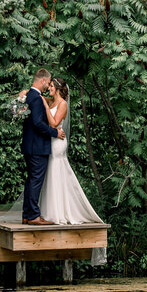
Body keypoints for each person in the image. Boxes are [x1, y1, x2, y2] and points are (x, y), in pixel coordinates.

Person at [36, 77, 102, 224]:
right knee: (52, 174)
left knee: (56, 171)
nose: (49, 88)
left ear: (58, 89)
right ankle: (50, 210)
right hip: (51, 141)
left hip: (57, 143)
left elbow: (54, 124)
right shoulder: (52, 101)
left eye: (52, 86)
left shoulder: (63, 104)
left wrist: (46, 108)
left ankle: (61, 212)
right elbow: (40, 97)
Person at [20, 68, 64, 225]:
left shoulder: (27, 96)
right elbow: (38, 123)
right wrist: (54, 132)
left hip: (28, 145)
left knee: (31, 180)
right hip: (37, 147)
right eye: (48, 82)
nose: (48, 86)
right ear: (43, 81)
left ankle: (27, 214)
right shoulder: (37, 99)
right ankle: (33, 216)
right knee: (36, 181)